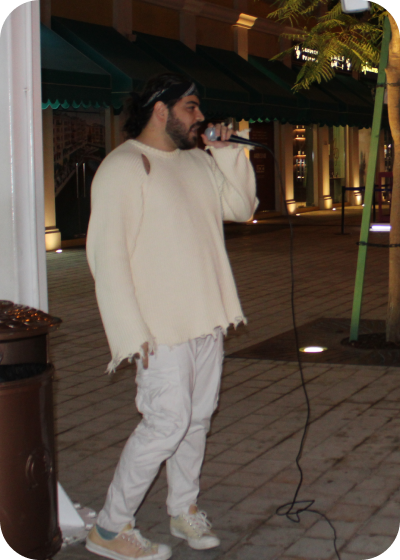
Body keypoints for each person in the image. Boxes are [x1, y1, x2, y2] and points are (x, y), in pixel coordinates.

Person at [85, 73, 258, 560]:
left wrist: (228, 153)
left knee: (197, 420)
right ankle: (109, 528)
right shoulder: (123, 167)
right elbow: (107, 256)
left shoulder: (197, 161)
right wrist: (129, 332)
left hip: (206, 318)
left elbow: (242, 208)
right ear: (160, 110)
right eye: (191, 107)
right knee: (167, 423)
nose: (200, 117)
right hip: (159, 328)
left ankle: (183, 508)